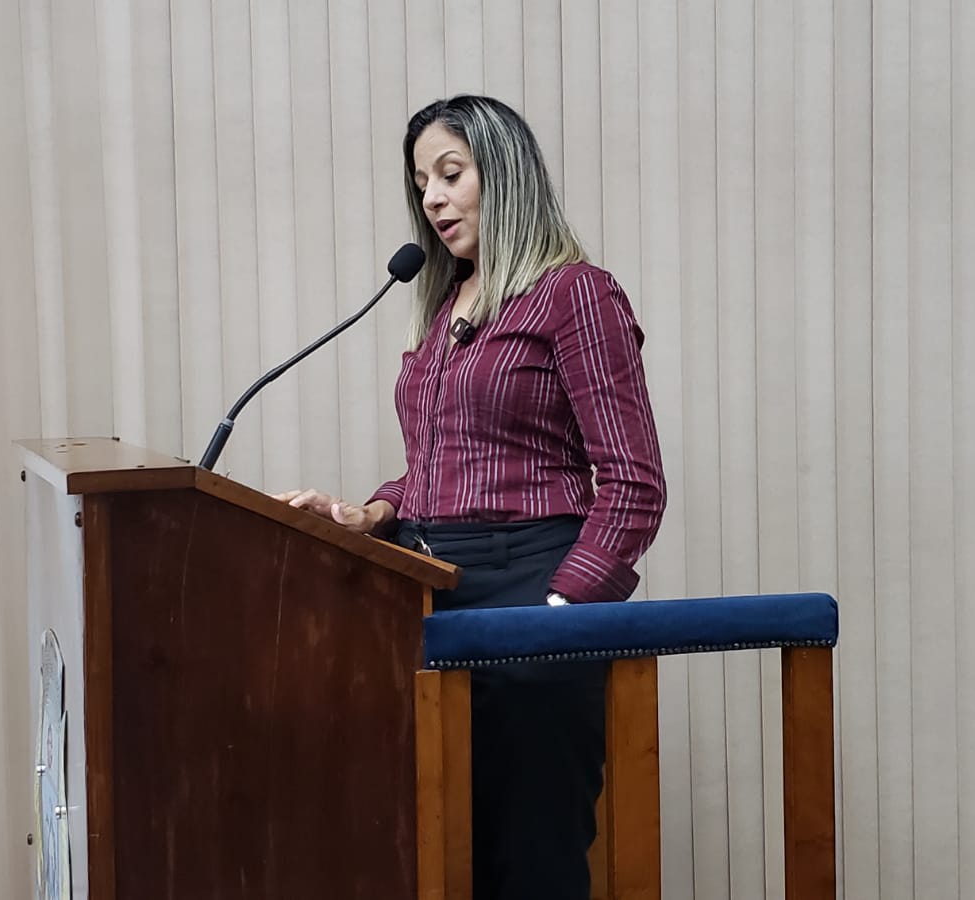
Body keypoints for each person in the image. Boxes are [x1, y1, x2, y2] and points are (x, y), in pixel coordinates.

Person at [273, 94, 665, 900]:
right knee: (443, 857)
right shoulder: (446, 304)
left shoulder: (576, 293)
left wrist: (561, 609)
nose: (433, 198)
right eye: (422, 183)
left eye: (451, 174)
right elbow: (440, 460)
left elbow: (634, 483)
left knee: (532, 860)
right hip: (426, 597)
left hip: (530, 589)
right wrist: (375, 511)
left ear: (505, 174)